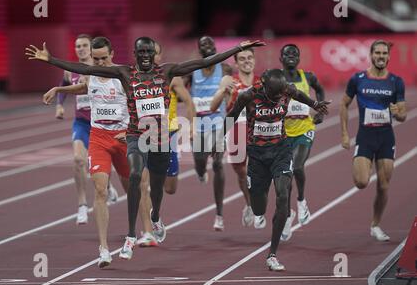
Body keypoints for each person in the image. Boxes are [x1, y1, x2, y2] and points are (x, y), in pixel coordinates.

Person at [27, 37, 266, 260]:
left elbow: (204, 62)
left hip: (160, 136)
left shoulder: (167, 71)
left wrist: (237, 49)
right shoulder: (124, 72)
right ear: (134, 54)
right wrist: (52, 61)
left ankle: (155, 217)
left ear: (154, 54)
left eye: (148, 52)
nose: (144, 55)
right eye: (140, 51)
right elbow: (87, 70)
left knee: (160, 189)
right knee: (135, 176)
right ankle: (131, 236)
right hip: (135, 136)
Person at [222, 69, 330, 271]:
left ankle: (272, 253)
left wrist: (315, 104)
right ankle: (261, 211)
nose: (278, 98)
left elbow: (299, 95)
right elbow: (232, 115)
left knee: (282, 195)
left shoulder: (285, 90)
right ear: (263, 85)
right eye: (274, 95)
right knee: (258, 208)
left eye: (281, 94)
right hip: (257, 155)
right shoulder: (249, 95)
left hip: (281, 151)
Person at [41, 37, 131, 267]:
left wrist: (133, 130)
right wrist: (59, 88)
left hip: (122, 137)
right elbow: (81, 84)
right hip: (98, 136)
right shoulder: (89, 73)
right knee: (99, 190)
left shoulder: (124, 75)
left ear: (112, 54)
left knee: (133, 188)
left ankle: (139, 228)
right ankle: (104, 249)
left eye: (103, 58)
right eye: (96, 58)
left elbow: (139, 104)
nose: (99, 63)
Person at [340, 40, 406, 242]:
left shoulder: (396, 81)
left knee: (384, 186)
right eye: (377, 52)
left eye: (384, 53)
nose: (381, 56)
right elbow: (344, 103)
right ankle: (365, 164)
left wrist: (398, 113)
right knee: (361, 182)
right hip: (365, 136)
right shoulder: (358, 79)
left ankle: (375, 225)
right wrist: (344, 133)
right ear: (371, 55)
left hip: (386, 137)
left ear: (388, 56)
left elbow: (402, 115)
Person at [53, 34, 118, 225]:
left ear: (91, 49)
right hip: (81, 124)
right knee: (78, 159)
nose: (80, 49)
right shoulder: (70, 72)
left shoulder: (99, 70)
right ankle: (82, 205)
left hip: (101, 124)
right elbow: (63, 85)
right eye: (77, 46)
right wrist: (59, 104)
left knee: (98, 166)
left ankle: (109, 186)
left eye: (84, 46)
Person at [136, 41, 195, 246]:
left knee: (169, 188)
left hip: (167, 134)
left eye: (156, 54)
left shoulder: (171, 77)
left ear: (160, 56)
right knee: (143, 183)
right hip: (144, 135)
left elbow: (188, 101)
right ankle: (150, 227)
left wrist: (191, 126)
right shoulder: (136, 77)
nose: (152, 57)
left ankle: (155, 212)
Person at [184, 36, 233, 231]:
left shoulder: (225, 69)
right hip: (199, 126)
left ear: (215, 48)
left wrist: (228, 99)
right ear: (199, 50)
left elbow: (232, 89)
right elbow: (180, 90)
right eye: (203, 44)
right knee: (199, 161)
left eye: (210, 44)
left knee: (219, 163)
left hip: (218, 124)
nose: (208, 47)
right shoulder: (193, 71)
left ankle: (219, 214)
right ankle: (201, 172)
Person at [279, 44, 326, 241]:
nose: (291, 56)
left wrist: (320, 112)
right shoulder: (276, 79)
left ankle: (301, 201)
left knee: (297, 167)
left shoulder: (308, 77)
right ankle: (288, 215)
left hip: (305, 129)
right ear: (280, 58)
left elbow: (320, 90)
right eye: (287, 53)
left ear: (299, 58)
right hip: (283, 133)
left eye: (295, 53)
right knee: (285, 177)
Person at [210, 47, 260, 228]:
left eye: (249, 58)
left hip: (258, 131)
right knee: (242, 174)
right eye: (242, 58)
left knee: (258, 173)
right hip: (236, 131)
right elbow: (213, 106)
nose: (247, 61)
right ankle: (249, 204)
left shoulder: (262, 81)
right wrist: (223, 91)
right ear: (236, 63)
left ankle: (255, 205)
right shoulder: (230, 81)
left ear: (254, 60)